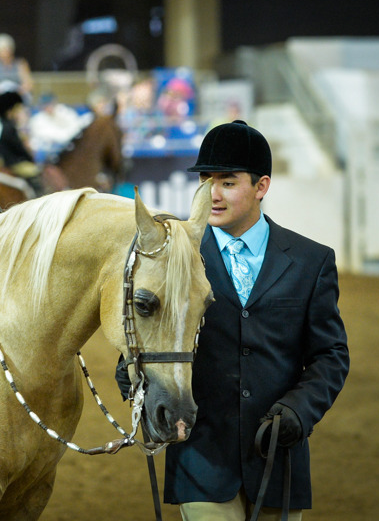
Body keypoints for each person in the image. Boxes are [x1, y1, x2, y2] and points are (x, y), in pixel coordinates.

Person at [116, 120, 350, 520]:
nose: (213, 195)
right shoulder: (176, 258)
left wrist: (298, 411)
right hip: (202, 456)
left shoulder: (313, 261)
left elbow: (331, 354)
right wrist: (136, 371)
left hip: (277, 459)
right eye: (206, 181)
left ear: (261, 187)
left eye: (227, 182)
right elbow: (150, 335)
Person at [0, 91, 43, 195]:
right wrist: (30, 159)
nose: (19, 113)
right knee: (35, 171)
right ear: (10, 111)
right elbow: (19, 149)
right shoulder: (10, 127)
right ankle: (37, 196)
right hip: (9, 163)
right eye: (17, 110)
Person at [0, 33, 33, 105]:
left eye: (7, 49)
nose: (5, 52)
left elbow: (28, 83)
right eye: (2, 50)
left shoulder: (20, 63)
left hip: (17, 94)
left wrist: (18, 91)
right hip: (0, 95)